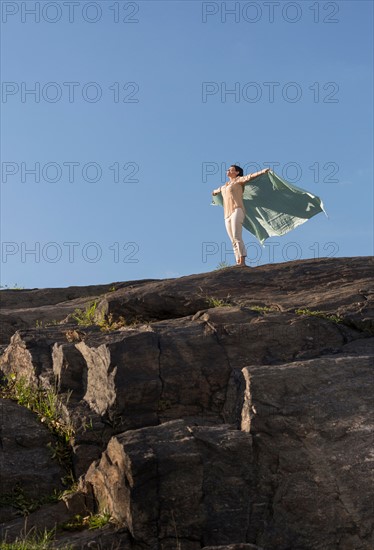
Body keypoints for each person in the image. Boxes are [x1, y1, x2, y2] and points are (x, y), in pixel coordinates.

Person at [212, 165, 270, 267]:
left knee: (236, 236)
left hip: (237, 210)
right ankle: (238, 261)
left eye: (230, 169)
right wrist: (214, 192)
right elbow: (216, 191)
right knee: (232, 239)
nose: (228, 171)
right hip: (227, 214)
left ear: (237, 172)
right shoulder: (224, 186)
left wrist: (262, 172)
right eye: (228, 169)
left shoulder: (239, 181)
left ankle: (242, 261)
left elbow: (250, 176)